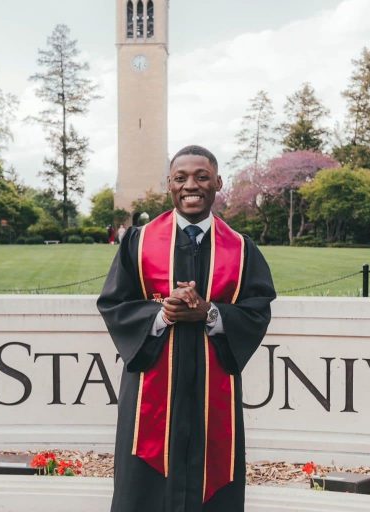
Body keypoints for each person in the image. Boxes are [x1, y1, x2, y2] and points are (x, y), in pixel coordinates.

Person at [97, 145, 276, 512]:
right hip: (152, 391)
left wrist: (211, 314)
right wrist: (164, 315)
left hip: (213, 393)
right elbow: (114, 304)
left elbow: (257, 311)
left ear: (218, 183)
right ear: (169, 185)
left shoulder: (242, 250)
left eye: (201, 176)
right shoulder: (138, 242)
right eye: (181, 178)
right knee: (144, 488)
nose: (190, 185)